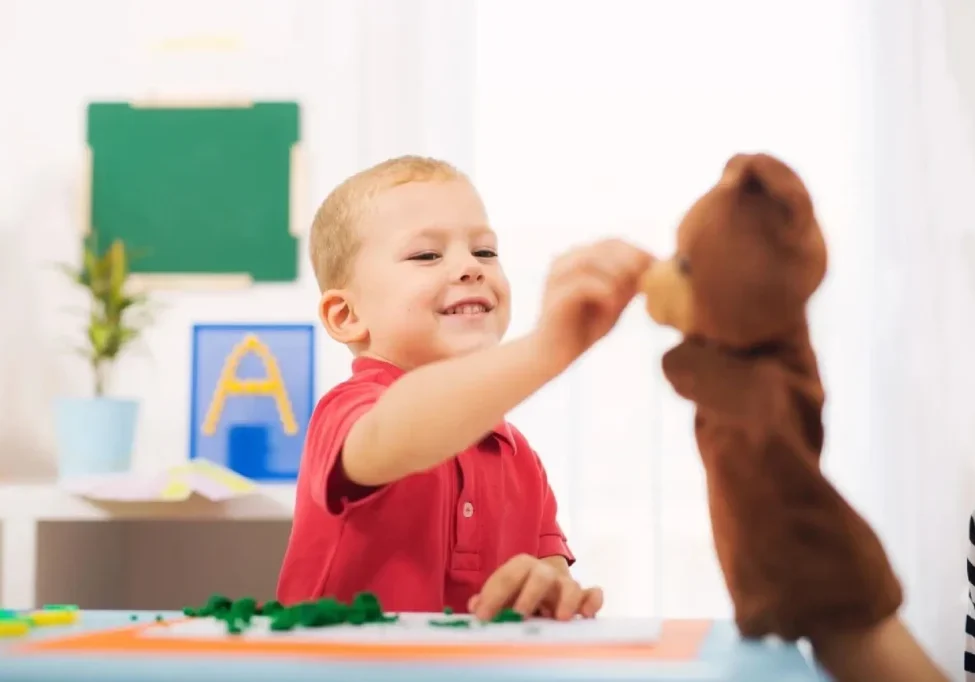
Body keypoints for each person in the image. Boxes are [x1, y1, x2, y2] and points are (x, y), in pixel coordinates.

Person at [276, 155, 652, 621]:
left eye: (485, 252)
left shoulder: (520, 460)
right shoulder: (349, 411)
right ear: (346, 316)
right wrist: (547, 348)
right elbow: (396, 430)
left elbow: (553, 583)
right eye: (426, 255)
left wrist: (552, 591)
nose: (470, 268)